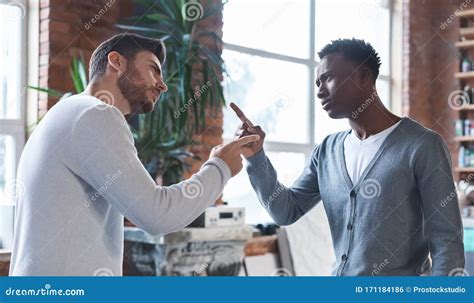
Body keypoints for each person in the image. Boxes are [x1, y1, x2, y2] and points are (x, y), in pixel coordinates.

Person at [9, 33, 259, 276]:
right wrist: (220, 167)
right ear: (116, 61)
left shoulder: (66, 112)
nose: (162, 84)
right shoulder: (96, 114)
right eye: (153, 68)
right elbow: (157, 214)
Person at [232, 38, 465, 276]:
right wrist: (256, 157)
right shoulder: (327, 151)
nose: (320, 90)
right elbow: (285, 211)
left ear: (364, 76)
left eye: (328, 78)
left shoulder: (422, 145)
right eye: (317, 82)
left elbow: (447, 242)